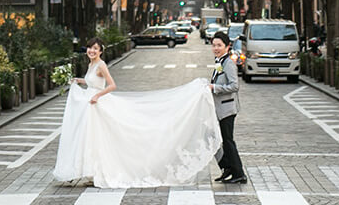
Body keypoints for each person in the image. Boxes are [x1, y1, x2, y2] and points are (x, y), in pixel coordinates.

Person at [53, 37, 220, 187]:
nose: (92, 51)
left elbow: (111, 85)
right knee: (92, 139)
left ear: (101, 51)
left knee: (103, 138)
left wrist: (97, 95)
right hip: (90, 105)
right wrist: (78, 80)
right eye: (90, 48)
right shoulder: (91, 64)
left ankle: (98, 170)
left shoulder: (101, 65)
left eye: (96, 48)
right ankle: (90, 170)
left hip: (97, 103)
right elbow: (92, 82)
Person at [210, 32, 246, 184]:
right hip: (220, 108)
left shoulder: (229, 63)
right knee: (215, 139)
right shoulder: (220, 61)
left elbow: (234, 86)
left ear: (227, 46)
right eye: (214, 45)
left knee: (228, 141)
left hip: (227, 109)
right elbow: (218, 79)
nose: (216, 48)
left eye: (219, 45)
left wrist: (215, 88)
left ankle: (239, 173)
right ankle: (227, 168)